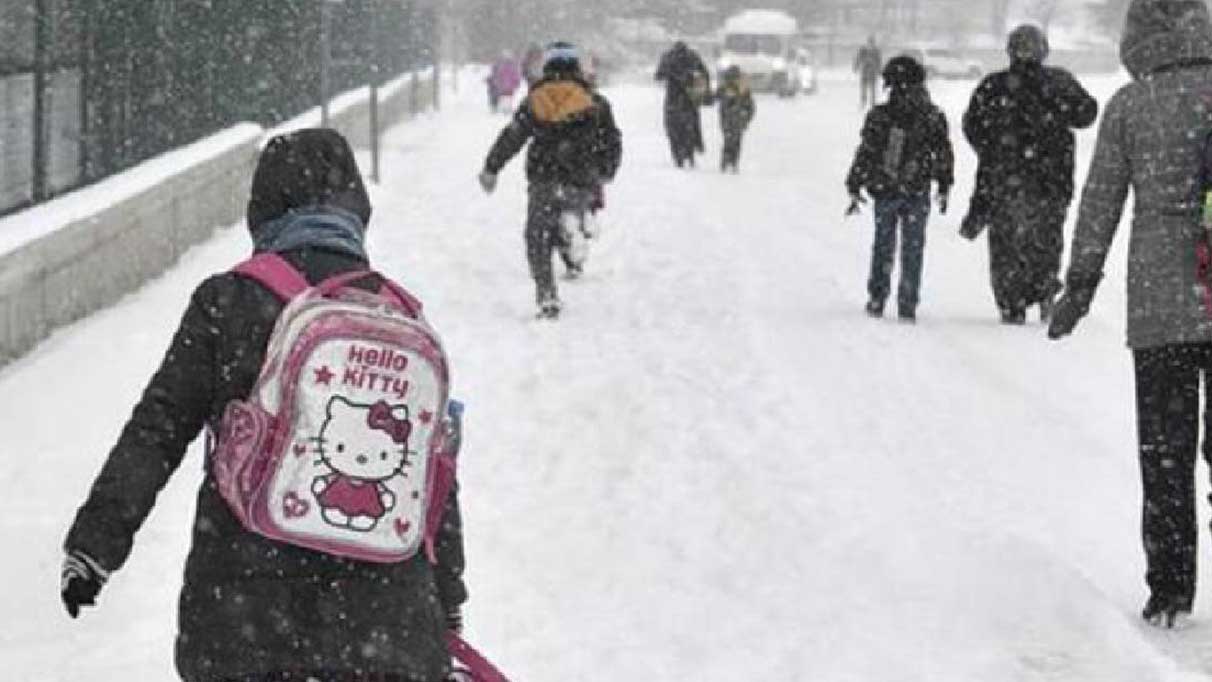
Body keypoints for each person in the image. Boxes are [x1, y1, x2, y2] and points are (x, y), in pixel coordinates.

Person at [59, 129, 468, 681]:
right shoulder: (401, 318)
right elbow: (433, 470)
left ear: (262, 208)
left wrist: (95, 546)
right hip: (384, 617)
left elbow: (156, 430)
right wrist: (446, 596)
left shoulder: (227, 302)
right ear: (355, 208)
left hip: (246, 606)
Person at [1047, 0, 1212, 629]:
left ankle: (1170, 590)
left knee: (1166, 455)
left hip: (1162, 304)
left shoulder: (1131, 105)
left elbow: (1100, 204)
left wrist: (1080, 286)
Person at [961, 24, 1098, 325]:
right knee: (1047, 239)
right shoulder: (1058, 82)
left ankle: (1012, 302)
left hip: (1004, 179)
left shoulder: (993, 86)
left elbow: (972, 126)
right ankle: (1044, 288)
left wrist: (994, 150)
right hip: (1052, 179)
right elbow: (1087, 113)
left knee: (1006, 243)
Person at [478, 42, 623, 319]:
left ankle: (546, 294)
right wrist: (606, 171)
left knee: (537, 236)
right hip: (581, 177)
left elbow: (513, 137)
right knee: (573, 210)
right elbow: (612, 141)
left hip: (544, 176)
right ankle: (576, 232)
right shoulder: (596, 102)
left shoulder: (535, 100)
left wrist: (491, 168)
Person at [845, 55, 954, 323]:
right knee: (913, 248)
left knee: (883, 245)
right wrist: (943, 183)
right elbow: (943, 152)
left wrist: (855, 181)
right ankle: (907, 302)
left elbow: (867, 152)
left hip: (886, 189)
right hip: (917, 191)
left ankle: (877, 296)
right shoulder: (932, 116)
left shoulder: (881, 115)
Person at [655, 41, 712, 168]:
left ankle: (679, 155)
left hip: (674, 98)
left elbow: (658, 76)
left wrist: (672, 76)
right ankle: (689, 152)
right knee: (690, 127)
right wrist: (704, 90)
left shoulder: (668, 57)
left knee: (674, 128)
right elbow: (704, 74)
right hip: (689, 97)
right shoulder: (692, 56)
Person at [716, 65, 756, 173]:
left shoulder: (742, 90)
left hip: (736, 120)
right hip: (731, 120)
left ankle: (730, 162)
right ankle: (729, 162)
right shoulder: (725, 89)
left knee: (733, 141)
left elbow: (750, 107)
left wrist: (746, 117)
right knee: (731, 141)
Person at [853, 36, 882, 109]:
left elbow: (879, 61)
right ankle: (864, 102)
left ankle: (872, 103)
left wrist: (879, 70)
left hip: (872, 72)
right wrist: (856, 66)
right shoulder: (863, 50)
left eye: (872, 42)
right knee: (864, 88)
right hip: (865, 71)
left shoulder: (876, 50)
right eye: (870, 42)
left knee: (872, 88)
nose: (870, 44)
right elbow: (858, 58)